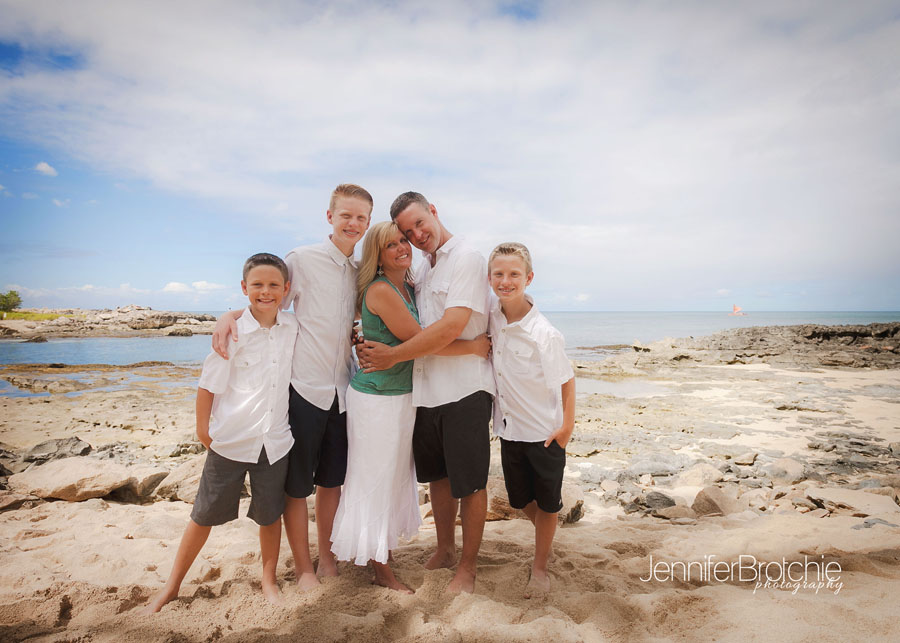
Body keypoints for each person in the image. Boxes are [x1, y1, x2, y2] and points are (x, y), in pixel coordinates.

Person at [212, 184, 372, 589]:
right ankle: (303, 568)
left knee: (332, 482)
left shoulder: (360, 270)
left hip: (343, 391)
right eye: (346, 215)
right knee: (297, 487)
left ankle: (327, 558)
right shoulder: (302, 259)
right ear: (330, 217)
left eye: (361, 218)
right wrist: (228, 316)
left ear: (368, 223)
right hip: (302, 389)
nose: (353, 223)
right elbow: (268, 302)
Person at [331, 221, 490, 593]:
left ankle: (382, 554)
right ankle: (381, 570)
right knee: (375, 481)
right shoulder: (382, 290)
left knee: (391, 480)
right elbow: (422, 340)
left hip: (404, 397)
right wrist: (472, 347)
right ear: (378, 256)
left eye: (403, 240)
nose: (402, 247)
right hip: (376, 400)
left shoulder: (411, 284)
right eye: (391, 245)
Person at [144, 253, 297, 613]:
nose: (265, 291)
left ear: (286, 288)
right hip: (230, 441)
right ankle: (172, 586)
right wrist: (203, 430)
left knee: (269, 516)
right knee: (203, 515)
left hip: (274, 442)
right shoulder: (231, 333)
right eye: (257, 285)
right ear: (244, 288)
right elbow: (208, 386)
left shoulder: (292, 327)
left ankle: (269, 580)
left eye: (273, 285)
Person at [487, 242, 575, 598]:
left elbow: (567, 380)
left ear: (529, 278)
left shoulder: (544, 334)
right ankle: (547, 537)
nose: (505, 281)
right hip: (510, 431)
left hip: (544, 433)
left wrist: (567, 426)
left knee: (549, 503)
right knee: (520, 499)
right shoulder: (492, 316)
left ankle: (539, 567)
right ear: (489, 278)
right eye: (498, 274)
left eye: (514, 274)